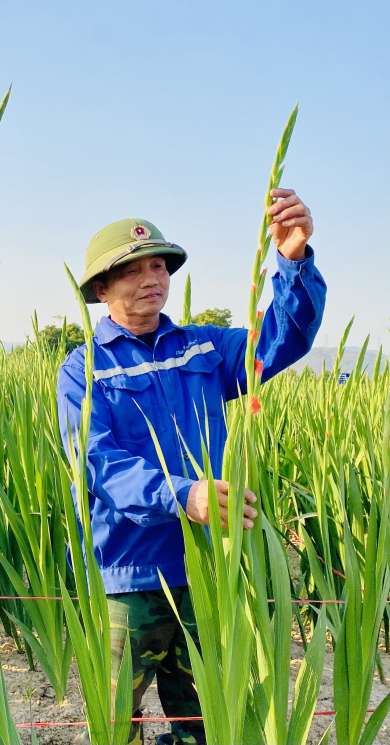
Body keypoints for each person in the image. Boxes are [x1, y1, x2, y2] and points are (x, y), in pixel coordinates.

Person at [57, 189, 325, 745]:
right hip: (125, 584)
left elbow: (282, 339)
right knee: (114, 728)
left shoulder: (204, 349)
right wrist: (184, 495)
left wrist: (294, 262)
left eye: (160, 264)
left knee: (206, 724)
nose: (151, 277)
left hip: (206, 574)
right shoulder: (85, 368)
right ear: (101, 288)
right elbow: (98, 466)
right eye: (132, 269)